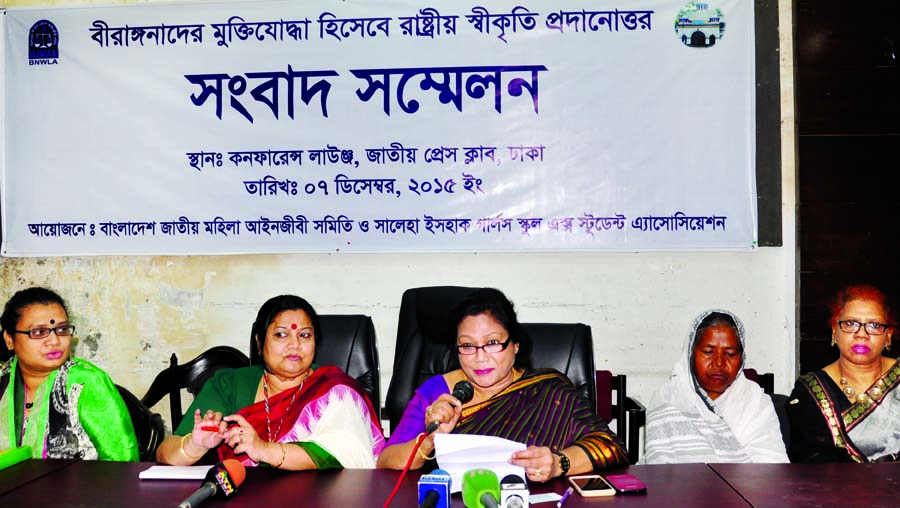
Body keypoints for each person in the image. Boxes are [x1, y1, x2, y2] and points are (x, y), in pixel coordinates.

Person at [376, 288, 628, 481]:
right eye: (467, 345)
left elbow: (610, 446)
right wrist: (430, 440)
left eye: (493, 342)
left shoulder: (548, 389)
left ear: (515, 345)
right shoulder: (437, 392)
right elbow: (385, 462)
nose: (480, 355)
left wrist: (558, 462)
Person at [156, 294, 384, 469]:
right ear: (259, 341)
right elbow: (165, 453)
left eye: (304, 335)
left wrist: (264, 450)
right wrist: (196, 445)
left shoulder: (334, 389)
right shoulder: (230, 384)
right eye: (281, 335)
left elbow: (351, 453)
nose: (295, 345)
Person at [0, 287, 138, 461]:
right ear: (9, 340)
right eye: (39, 332)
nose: (55, 340)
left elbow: (123, 463)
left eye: (62, 329)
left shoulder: (85, 383)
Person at [644, 310, 788, 464]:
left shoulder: (755, 401)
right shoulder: (667, 399)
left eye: (731, 354)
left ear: (741, 359)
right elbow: (659, 471)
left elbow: (772, 469)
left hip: (746, 487)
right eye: (708, 352)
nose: (719, 363)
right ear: (690, 355)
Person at [787, 284, 899, 463]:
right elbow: (814, 463)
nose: (861, 334)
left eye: (874, 325)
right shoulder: (810, 394)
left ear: (888, 335)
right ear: (834, 330)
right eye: (850, 323)